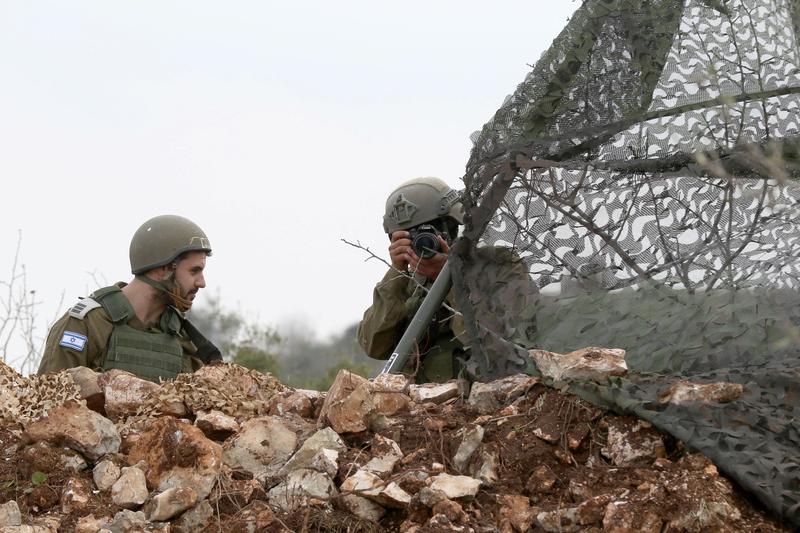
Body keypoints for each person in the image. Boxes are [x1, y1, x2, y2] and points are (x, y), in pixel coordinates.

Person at [357, 177, 537, 383]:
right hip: (421, 402)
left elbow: (495, 343)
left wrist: (451, 278)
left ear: (451, 226)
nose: (422, 241)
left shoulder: (499, 266)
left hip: (484, 389)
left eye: (430, 230)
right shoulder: (406, 283)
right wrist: (396, 272)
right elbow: (373, 345)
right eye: (410, 235)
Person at [38, 214, 221, 382]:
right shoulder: (87, 325)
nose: (201, 282)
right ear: (163, 268)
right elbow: (49, 403)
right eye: (194, 271)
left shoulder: (182, 337)